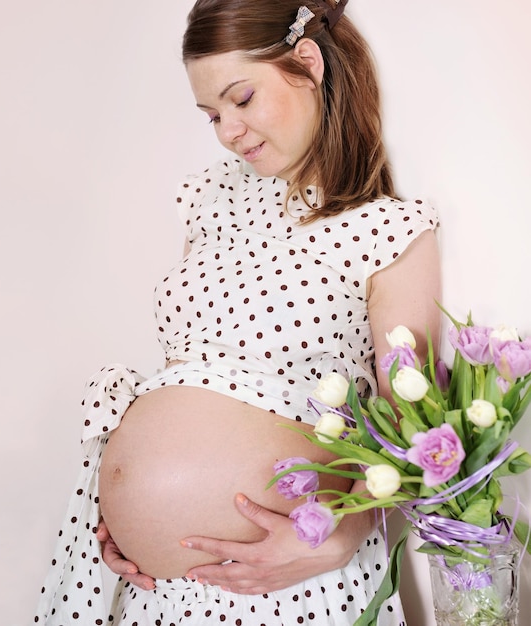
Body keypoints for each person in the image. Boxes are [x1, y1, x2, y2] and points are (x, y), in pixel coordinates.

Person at [34, 0, 441, 624]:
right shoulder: (210, 200)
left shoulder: (386, 229)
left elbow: (409, 423)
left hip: (283, 586)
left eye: (242, 99)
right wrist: (123, 511)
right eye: (212, 115)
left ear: (307, 63)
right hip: (146, 590)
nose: (229, 130)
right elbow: (192, 375)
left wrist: (340, 535)